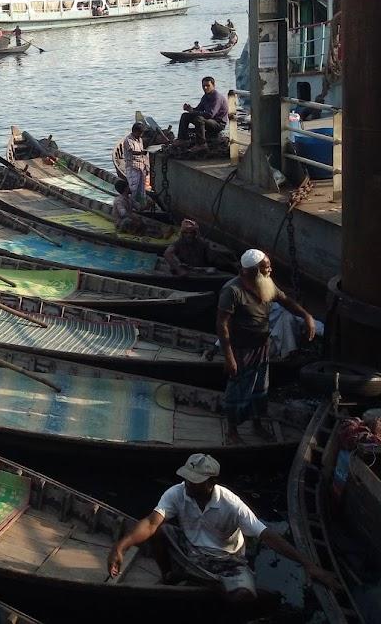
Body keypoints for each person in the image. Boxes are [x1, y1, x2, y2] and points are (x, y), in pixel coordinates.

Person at [107, 453, 336, 601]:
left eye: (194, 481)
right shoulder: (177, 493)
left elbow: (267, 536)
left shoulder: (231, 504)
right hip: (191, 550)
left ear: (211, 482)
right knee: (159, 531)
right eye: (186, 478)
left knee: (243, 598)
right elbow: (150, 522)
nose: (187, 484)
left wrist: (307, 564)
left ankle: (207, 584)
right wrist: (121, 546)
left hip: (226, 561)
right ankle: (169, 575)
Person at [218, 250, 315, 443]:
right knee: (237, 390)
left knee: (260, 388)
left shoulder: (266, 284)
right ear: (252, 271)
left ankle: (257, 424)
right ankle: (232, 431)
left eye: (269, 266)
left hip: (261, 346)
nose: (270, 270)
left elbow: (286, 301)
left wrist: (307, 316)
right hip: (240, 348)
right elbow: (222, 325)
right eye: (266, 267)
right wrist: (229, 357)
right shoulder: (232, 291)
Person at [178, 76, 228, 146]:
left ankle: (201, 144)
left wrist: (193, 112)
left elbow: (210, 115)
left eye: (208, 86)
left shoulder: (216, 97)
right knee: (185, 116)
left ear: (213, 85)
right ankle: (182, 139)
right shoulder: (205, 97)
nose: (205, 88)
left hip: (218, 124)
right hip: (209, 121)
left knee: (199, 119)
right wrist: (190, 109)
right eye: (203, 86)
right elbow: (198, 110)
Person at [121, 122, 151, 206]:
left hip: (142, 167)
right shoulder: (128, 140)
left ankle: (141, 205)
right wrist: (142, 152)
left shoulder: (140, 139)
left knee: (142, 189)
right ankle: (131, 205)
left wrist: (147, 167)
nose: (141, 135)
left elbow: (143, 154)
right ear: (135, 131)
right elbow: (132, 151)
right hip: (133, 167)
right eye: (140, 133)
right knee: (133, 188)